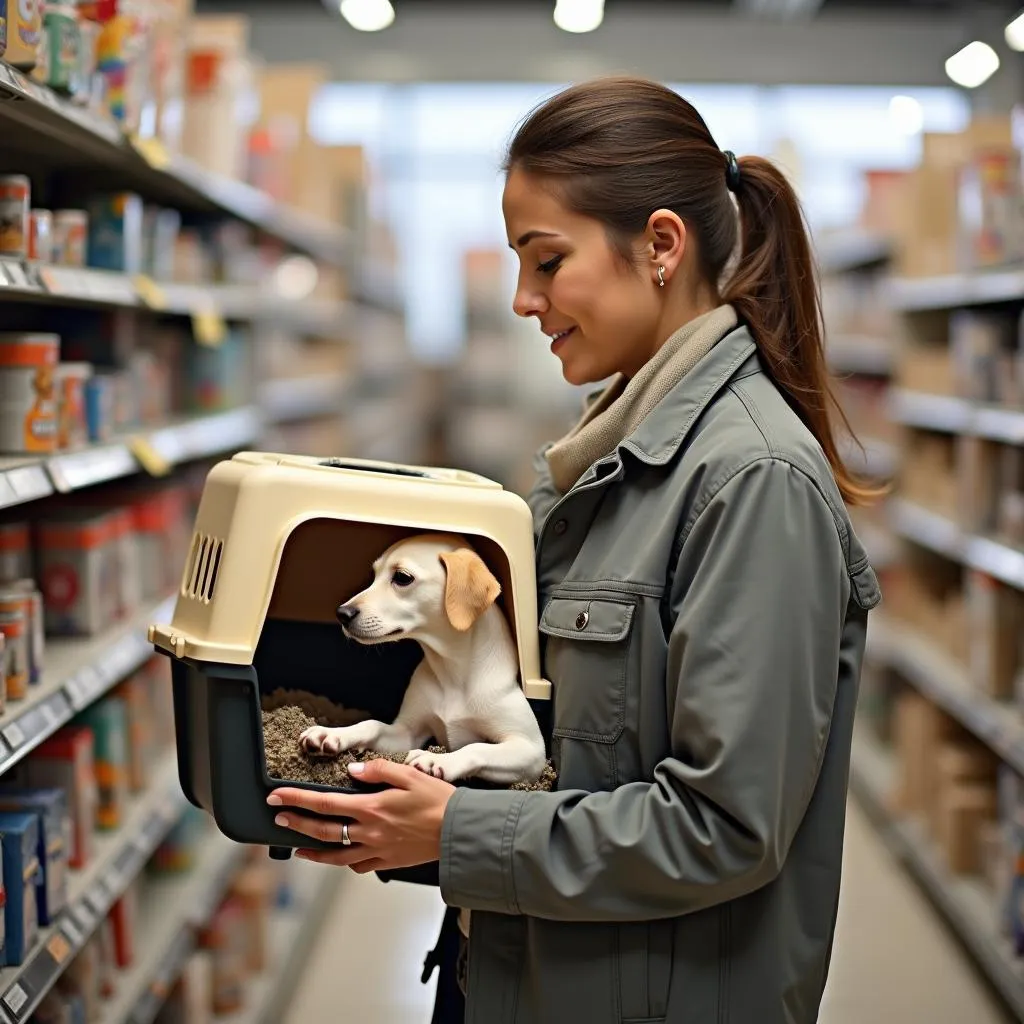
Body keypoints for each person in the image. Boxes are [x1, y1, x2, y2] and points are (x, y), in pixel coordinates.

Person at [267, 75, 883, 1024]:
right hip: (527, 969)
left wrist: (460, 831)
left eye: (546, 262)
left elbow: (726, 827)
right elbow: (572, 752)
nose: (522, 298)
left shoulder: (751, 483)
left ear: (661, 247)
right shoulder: (602, 467)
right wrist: (409, 810)